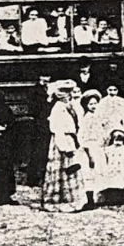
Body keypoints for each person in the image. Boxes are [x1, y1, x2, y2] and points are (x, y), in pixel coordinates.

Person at [41, 80, 86, 213]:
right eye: (66, 93)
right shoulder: (58, 108)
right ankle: (59, 200)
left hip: (70, 139)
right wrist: (65, 147)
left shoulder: (70, 107)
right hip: (62, 141)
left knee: (72, 168)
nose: (69, 96)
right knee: (63, 169)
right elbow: (57, 129)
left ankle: (74, 199)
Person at [78, 90, 105, 209]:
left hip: (98, 147)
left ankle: (97, 197)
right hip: (90, 148)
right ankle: (89, 200)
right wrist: (89, 154)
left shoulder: (97, 117)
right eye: (91, 104)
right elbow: (84, 138)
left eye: (95, 103)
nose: (94, 106)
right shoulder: (87, 118)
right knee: (89, 173)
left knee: (97, 172)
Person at [100, 130, 124, 205]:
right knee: (112, 182)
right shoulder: (109, 149)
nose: (118, 140)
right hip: (112, 168)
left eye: (120, 139)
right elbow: (104, 156)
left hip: (123, 168)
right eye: (116, 138)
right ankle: (111, 198)